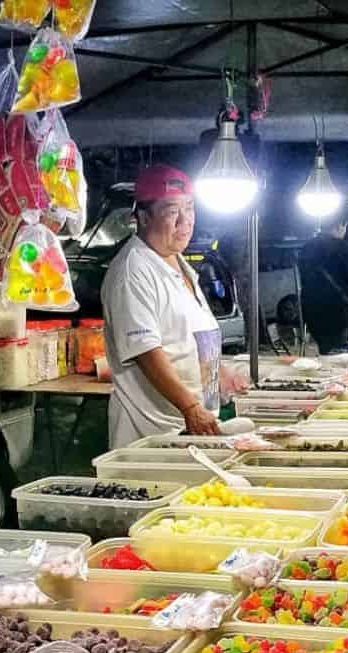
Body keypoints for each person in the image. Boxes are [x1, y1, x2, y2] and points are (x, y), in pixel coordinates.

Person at [101, 164, 223, 448]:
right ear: (142, 217)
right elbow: (146, 351)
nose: (185, 221)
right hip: (152, 434)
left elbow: (184, 339)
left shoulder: (178, 263)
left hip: (189, 430)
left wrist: (219, 373)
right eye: (171, 212)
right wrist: (191, 408)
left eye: (190, 209)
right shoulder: (133, 270)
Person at [297, 212, 348, 354]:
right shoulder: (342, 247)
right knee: (337, 353)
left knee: (325, 348)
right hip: (337, 311)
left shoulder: (306, 248)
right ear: (340, 225)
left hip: (311, 308)